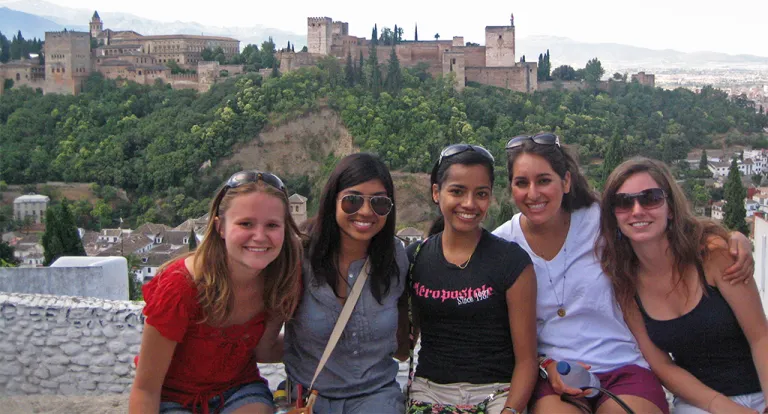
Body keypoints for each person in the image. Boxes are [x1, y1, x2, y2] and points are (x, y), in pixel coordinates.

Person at [492, 133, 754, 414]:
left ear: (566, 181)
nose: (533, 193)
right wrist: (545, 365)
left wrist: (733, 237)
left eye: (544, 180)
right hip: (556, 375)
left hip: (624, 365)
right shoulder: (502, 246)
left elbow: (659, 229)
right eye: (522, 183)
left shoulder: (600, 221)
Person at [598, 157, 768, 414]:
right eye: (623, 202)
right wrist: (728, 409)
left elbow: (760, 336)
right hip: (701, 404)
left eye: (650, 198)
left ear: (671, 208)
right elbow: (663, 366)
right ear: (613, 215)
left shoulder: (713, 256)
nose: (637, 210)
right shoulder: (626, 284)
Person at [129, 170, 303, 414]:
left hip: (238, 390)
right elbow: (146, 388)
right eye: (246, 223)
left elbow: (264, 349)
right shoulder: (180, 287)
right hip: (173, 397)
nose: (260, 236)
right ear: (220, 227)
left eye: (272, 225)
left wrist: (329, 345)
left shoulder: (281, 278)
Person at [407, 144, 538, 414]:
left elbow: (527, 360)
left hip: (498, 393)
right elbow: (401, 344)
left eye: (481, 194)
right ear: (436, 192)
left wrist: (511, 410)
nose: (469, 204)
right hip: (430, 391)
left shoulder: (511, 262)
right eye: (457, 191)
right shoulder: (414, 259)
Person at [283, 152, 410, 414]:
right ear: (333, 201)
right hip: (308, 399)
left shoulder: (397, 258)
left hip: (376, 398)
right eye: (352, 200)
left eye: (379, 203)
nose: (365, 211)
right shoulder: (299, 256)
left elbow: (404, 345)